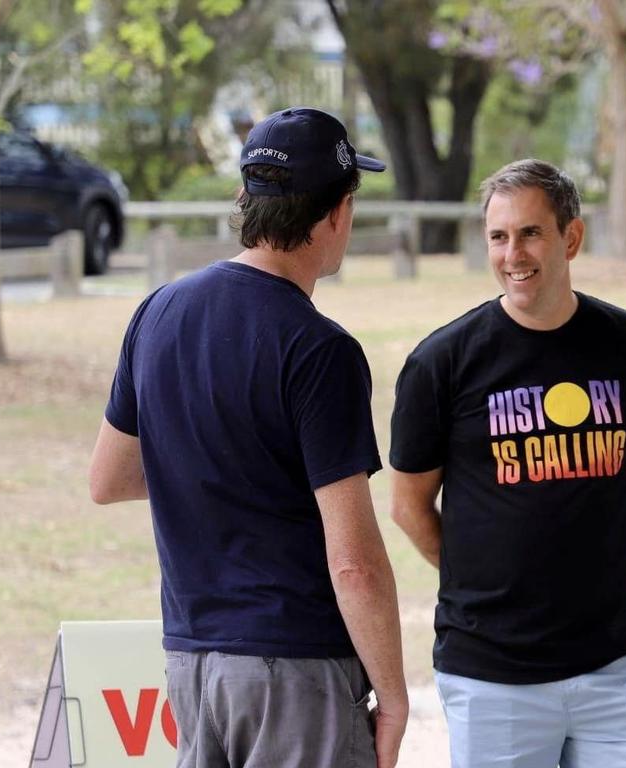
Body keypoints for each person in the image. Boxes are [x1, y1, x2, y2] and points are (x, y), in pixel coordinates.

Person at [89, 107, 408, 768]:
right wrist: (395, 698)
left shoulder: (157, 312)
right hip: (297, 672)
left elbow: (110, 479)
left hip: (191, 662)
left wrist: (215, 467)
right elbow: (354, 561)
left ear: (245, 200)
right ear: (337, 215)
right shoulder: (320, 349)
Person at [389, 159, 626, 768]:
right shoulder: (441, 362)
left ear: (571, 237)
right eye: (498, 236)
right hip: (494, 678)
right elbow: (409, 505)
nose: (512, 254)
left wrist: (597, 575)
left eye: (530, 233)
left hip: (615, 669)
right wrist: (486, 583)